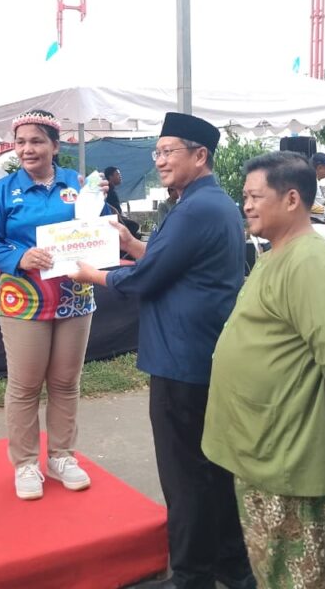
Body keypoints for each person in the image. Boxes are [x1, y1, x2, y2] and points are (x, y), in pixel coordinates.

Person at [70, 112, 254, 589]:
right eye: (158, 152)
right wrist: (132, 243)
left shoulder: (195, 209)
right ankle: (232, 567)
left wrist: (91, 275)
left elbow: (149, 278)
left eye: (169, 151)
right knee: (210, 468)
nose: (160, 161)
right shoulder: (211, 203)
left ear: (200, 155)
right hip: (202, 352)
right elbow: (170, 262)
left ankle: (191, 575)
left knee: (185, 473)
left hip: (181, 357)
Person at [200, 151, 325, 589]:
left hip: (286, 451)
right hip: (261, 442)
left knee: (296, 573)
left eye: (255, 196)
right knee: (270, 564)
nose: (246, 205)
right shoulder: (277, 253)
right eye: (245, 197)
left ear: (292, 198)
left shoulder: (310, 261)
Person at [0, 109, 99, 502]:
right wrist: (19, 257)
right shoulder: (2, 191)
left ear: (55, 146)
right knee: (25, 385)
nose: (27, 149)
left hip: (75, 297)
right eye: (21, 141)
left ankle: (62, 456)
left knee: (65, 382)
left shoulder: (77, 184)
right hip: (24, 300)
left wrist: (100, 206)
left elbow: (97, 229)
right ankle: (26, 462)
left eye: (37, 141)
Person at [104, 166, 141, 240]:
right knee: (134, 226)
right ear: (110, 177)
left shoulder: (111, 190)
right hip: (112, 220)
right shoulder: (108, 191)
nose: (120, 176)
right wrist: (121, 220)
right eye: (117, 174)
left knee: (135, 228)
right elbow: (113, 211)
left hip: (118, 218)